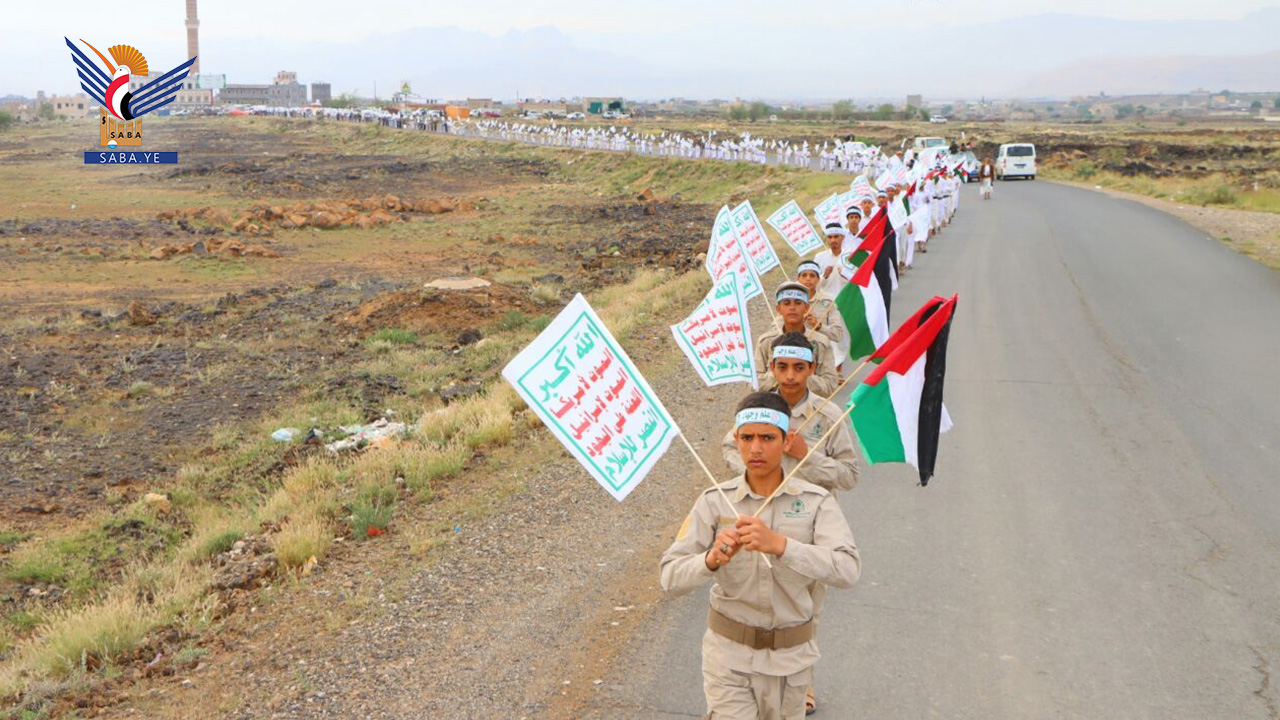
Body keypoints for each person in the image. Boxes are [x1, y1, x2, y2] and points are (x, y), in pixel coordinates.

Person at [662, 391, 861, 720]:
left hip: (791, 662)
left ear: (786, 442)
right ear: (736, 442)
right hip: (728, 658)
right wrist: (709, 561)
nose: (756, 448)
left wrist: (782, 546)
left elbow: (847, 570)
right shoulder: (714, 502)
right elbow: (670, 577)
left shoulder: (816, 502)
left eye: (767, 438)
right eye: (747, 438)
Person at [755, 282, 839, 397]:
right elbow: (753, 384)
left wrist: (803, 376)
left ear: (807, 308)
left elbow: (831, 385)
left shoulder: (821, 342)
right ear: (779, 309)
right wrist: (777, 373)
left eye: (798, 303)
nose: (792, 308)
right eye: (786, 303)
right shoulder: (765, 341)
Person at [795, 260, 846, 371]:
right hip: (794, 357)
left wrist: (818, 326)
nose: (808, 279)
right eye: (804, 275)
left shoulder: (828, 301)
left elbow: (838, 335)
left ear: (818, 279)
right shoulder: (788, 302)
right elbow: (777, 329)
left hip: (821, 359)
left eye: (812, 275)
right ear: (798, 279)